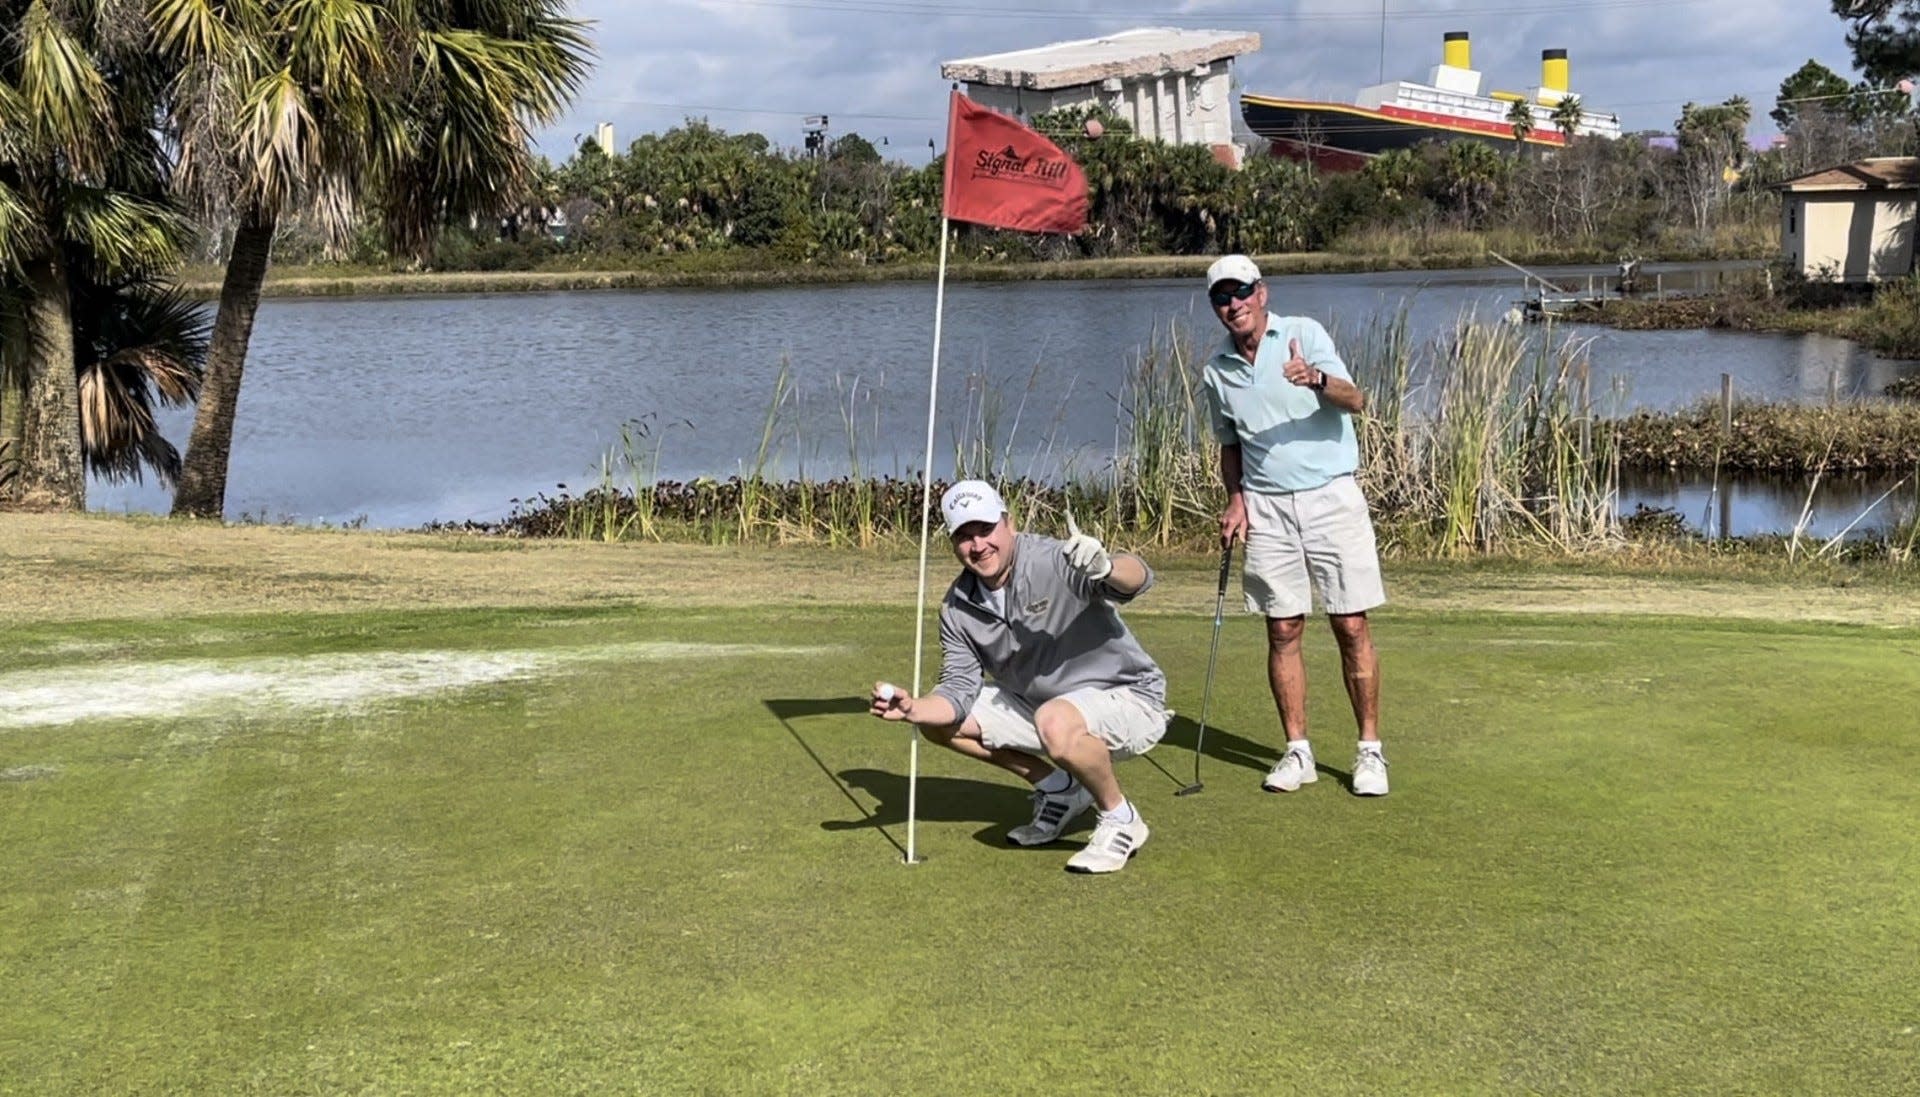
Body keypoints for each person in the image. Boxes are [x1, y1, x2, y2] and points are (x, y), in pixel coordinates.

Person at [869, 480, 1169, 874]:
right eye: (963, 536)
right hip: (1043, 709)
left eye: (985, 529)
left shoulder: (1055, 560)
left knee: (1056, 720)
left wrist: (1108, 567)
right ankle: (1060, 789)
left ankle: (1120, 817)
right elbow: (958, 688)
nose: (977, 545)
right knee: (939, 724)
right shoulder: (957, 607)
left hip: (1128, 699)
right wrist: (913, 709)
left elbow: (1140, 578)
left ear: (1008, 523)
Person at [1199, 254, 1390, 797]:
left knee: (1350, 624)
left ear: (1262, 293)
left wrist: (1316, 379)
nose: (1232, 304)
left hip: (1331, 496)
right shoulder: (1217, 368)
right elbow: (1229, 444)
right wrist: (1235, 500)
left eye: (1239, 292)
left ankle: (1369, 751)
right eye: (1221, 298)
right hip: (1267, 507)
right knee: (1282, 627)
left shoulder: (1303, 333)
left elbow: (1355, 399)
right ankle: (1297, 751)